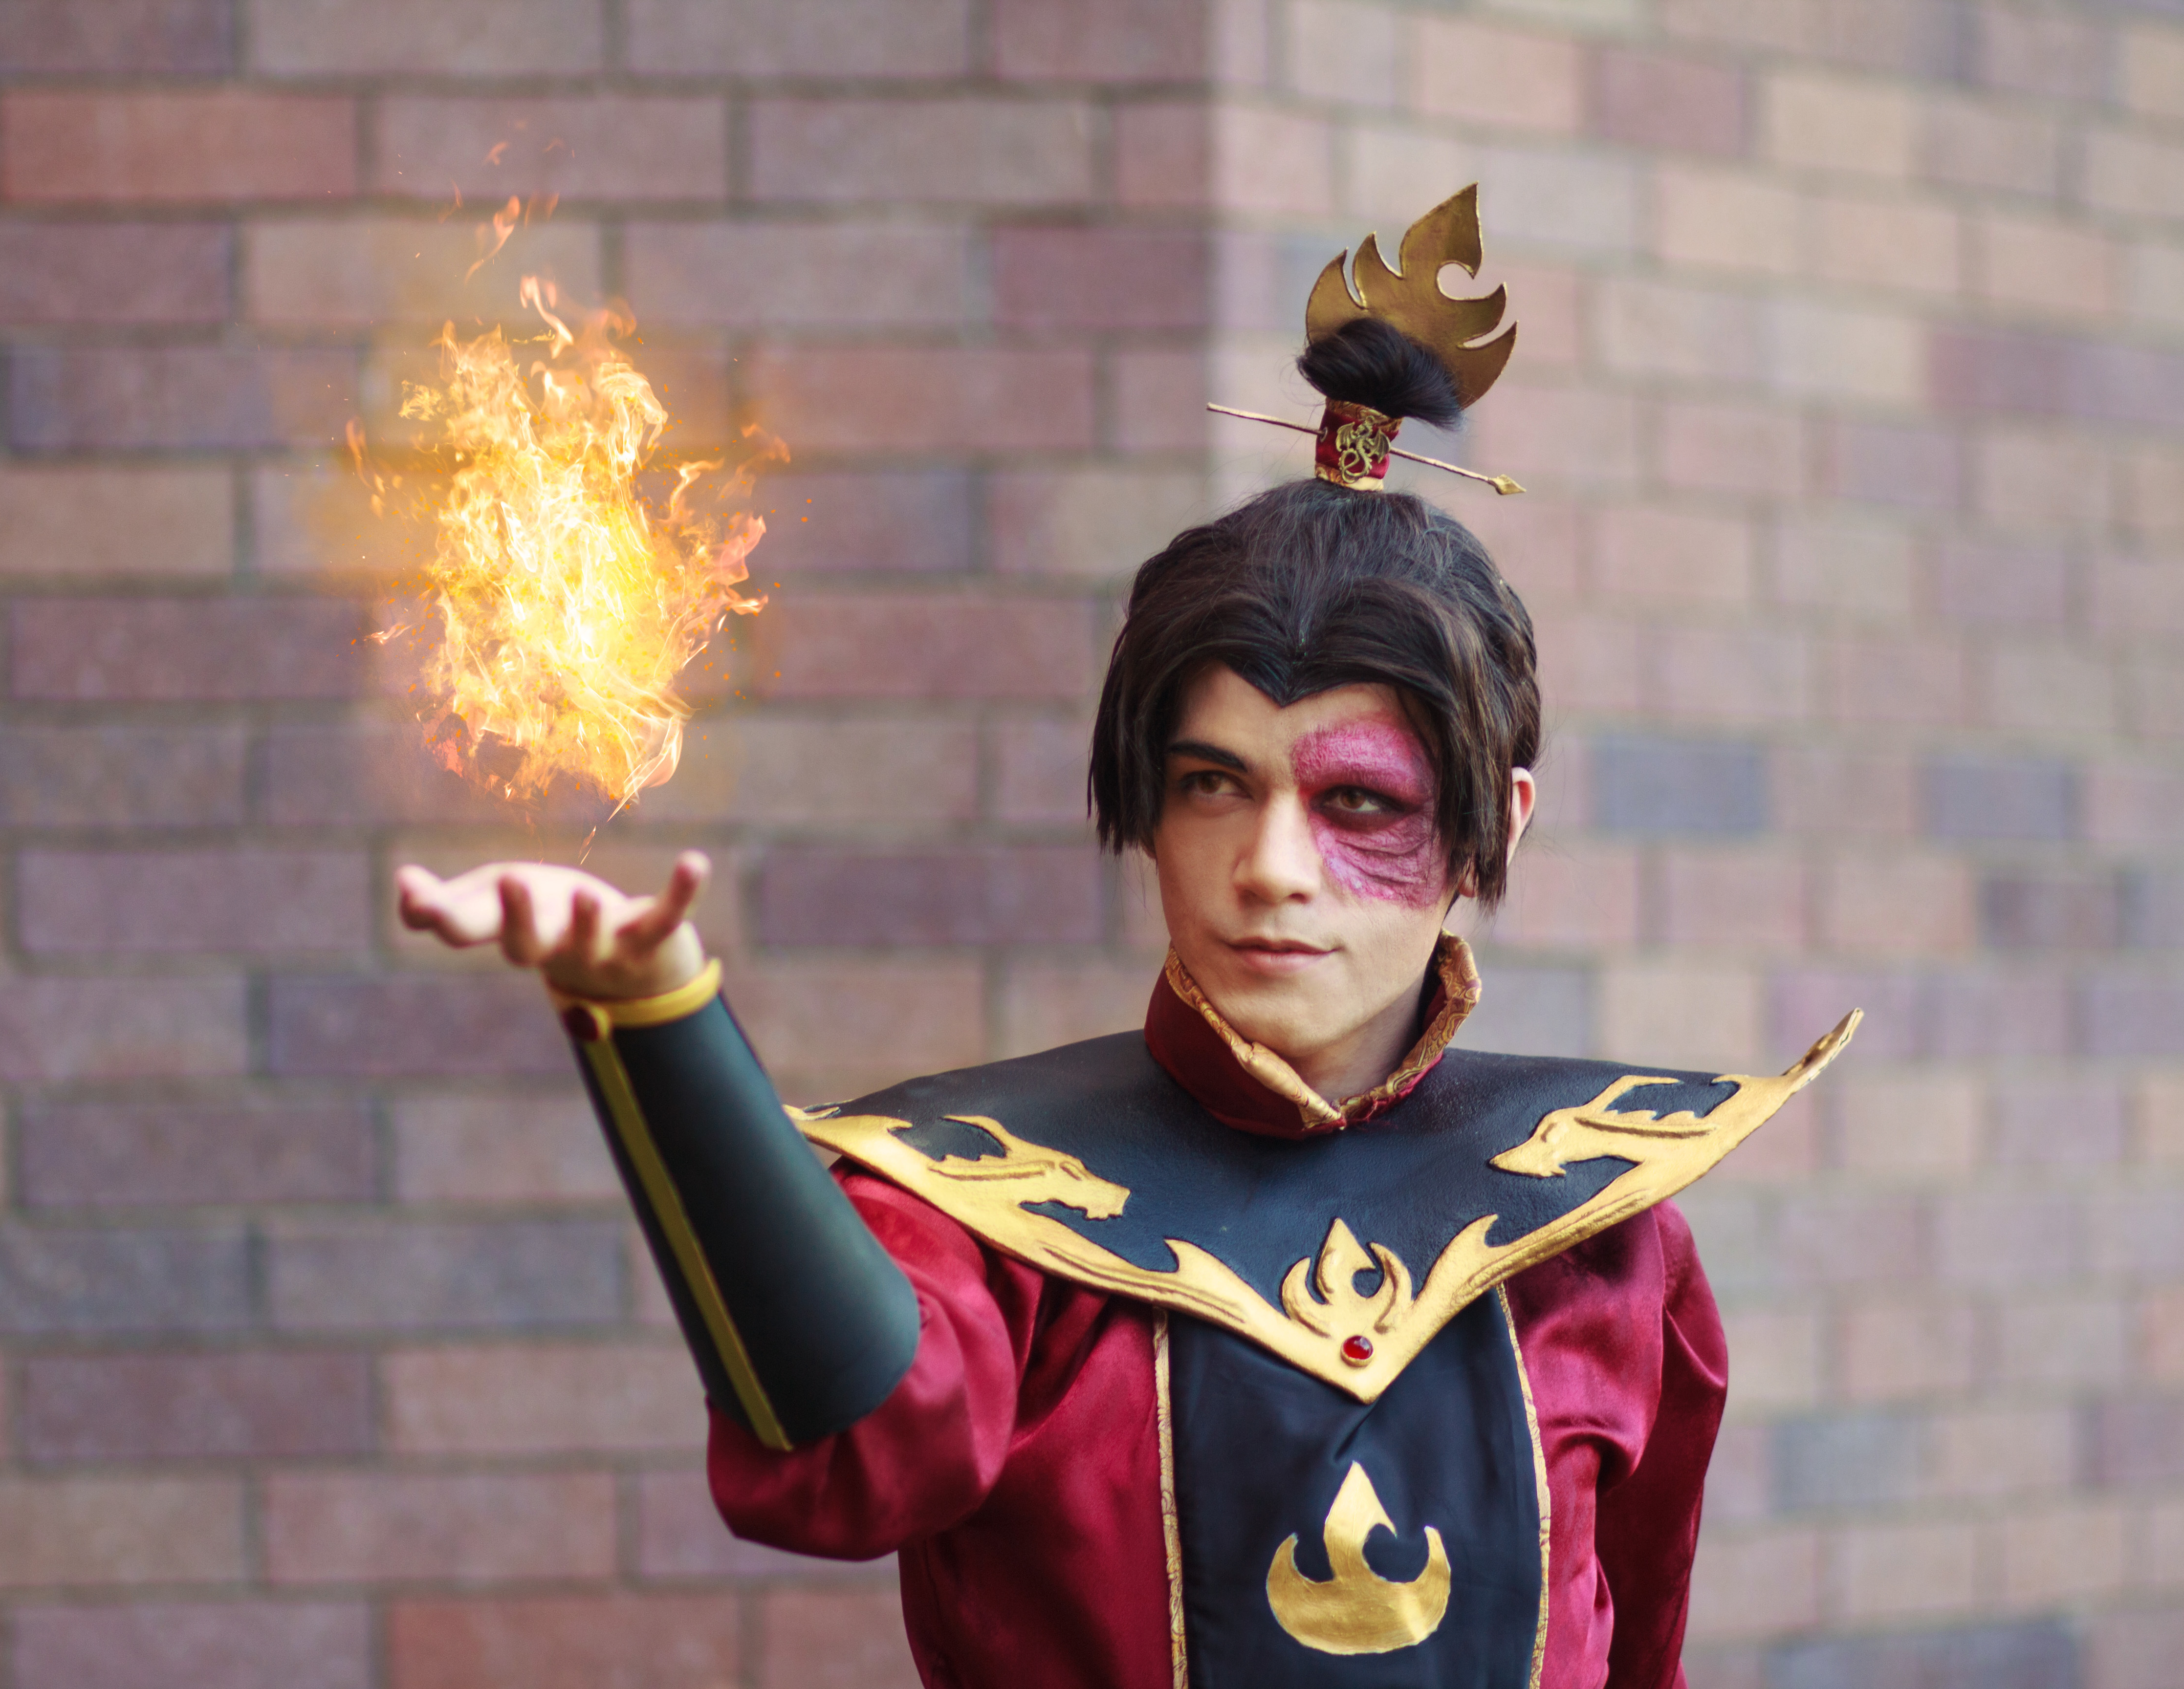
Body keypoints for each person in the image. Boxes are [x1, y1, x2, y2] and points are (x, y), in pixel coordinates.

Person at [395, 190, 1856, 1689]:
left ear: (1501, 827)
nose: (1269, 869)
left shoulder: (1606, 1239)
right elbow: (840, 1452)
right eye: (1213, 784)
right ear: (1147, 807)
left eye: (1359, 802)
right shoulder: (982, 1221)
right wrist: (657, 1020)